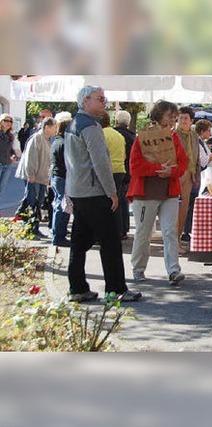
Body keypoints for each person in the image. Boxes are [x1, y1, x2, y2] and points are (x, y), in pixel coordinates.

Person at [64, 85, 141, 303]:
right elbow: (100, 163)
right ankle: (116, 289)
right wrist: (112, 192)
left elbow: (72, 163)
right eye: (100, 98)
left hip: (79, 192)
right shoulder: (90, 126)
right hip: (95, 193)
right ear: (86, 100)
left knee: (79, 243)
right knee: (110, 242)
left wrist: (70, 192)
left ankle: (77, 288)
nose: (104, 102)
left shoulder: (74, 124)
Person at [128, 100, 188, 286]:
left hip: (169, 192)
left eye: (174, 117)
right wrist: (157, 169)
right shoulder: (143, 137)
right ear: (159, 115)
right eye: (170, 116)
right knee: (144, 233)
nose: (173, 120)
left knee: (170, 231)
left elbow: (183, 163)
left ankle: (173, 270)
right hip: (145, 193)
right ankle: (138, 269)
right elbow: (134, 167)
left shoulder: (174, 137)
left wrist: (172, 171)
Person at [15, 117, 57, 238]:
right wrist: (31, 175)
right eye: (54, 127)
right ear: (47, 127)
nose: (56, 130)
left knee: (36, 202)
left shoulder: (47, 139)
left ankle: (31, 226)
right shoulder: (37, 138)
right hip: (34, 176)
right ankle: (30, 229)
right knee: (32, 202)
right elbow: (30, 158)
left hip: (41, 177)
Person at [99, 111, 127, 237]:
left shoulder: (100, 134)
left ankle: (104, 233)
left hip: (107, 170)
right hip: (120, 170)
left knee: (103, 202)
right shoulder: (118, 135)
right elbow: (124, 155)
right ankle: (119, 231)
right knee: (117, 202)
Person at [174, 106, 200, 244]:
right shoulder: (173, 135)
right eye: (181, 118)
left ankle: (177, 240)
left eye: (186, 118)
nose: (183, 121)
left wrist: (196, 175)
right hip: (176, 175)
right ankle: (172, 242)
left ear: (191, 121)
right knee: (173, 209)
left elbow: (197, 157)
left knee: (184, 208)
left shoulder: (194, 136)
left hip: (190, 175)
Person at [49, 111, 72, 247]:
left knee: (59, 204)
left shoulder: (57, 141)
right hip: (62, 177)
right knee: (62, 206)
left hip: (58, 176)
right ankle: (59, 235)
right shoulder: (63, 143)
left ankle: (57, 232)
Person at [114, 109, 136, 239]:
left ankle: (118, 228)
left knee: (116, 200)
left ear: (116, 121)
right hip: (128, 172)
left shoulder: (113, 134)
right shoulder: (132, 137)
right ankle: (124, 228)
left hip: (115, 170)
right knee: (124, 201)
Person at [0, 114, 17, 202]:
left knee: (1, 189)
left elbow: (10, 149)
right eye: (6, 120)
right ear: (1, 121)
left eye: (10, 121)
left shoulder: (10, 135)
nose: (8, 123)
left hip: (7, 164)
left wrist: (13, 155)